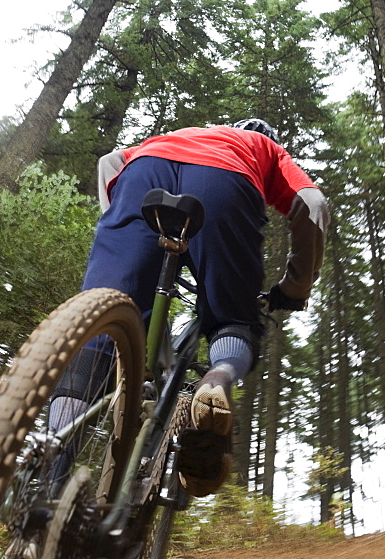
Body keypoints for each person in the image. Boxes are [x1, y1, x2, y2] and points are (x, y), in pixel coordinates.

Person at [52, 119, 329, 496]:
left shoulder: (189, 132)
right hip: (225, 182)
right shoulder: (263, 148)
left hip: (144, 173)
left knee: (106, 321)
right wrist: (295, 287)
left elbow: (110, 163)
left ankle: (48, 470)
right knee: (232, 319)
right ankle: (216, 380)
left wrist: (121, 233)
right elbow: (313, 202)